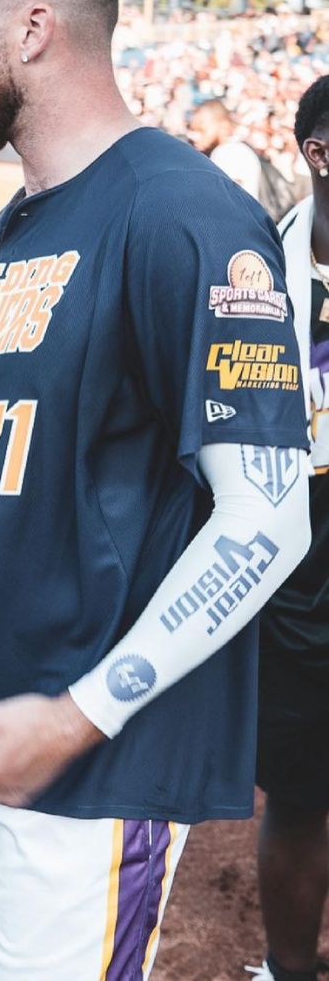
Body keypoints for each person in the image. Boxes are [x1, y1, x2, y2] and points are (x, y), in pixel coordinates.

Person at [0, 0, 312, 981]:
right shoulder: (14, 223)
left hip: (94, 762)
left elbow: (266, 518)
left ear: (34, 27)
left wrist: (83, 712)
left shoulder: (185, 216)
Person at [247, 76, 329, 981]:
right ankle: (291, 968)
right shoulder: (257, 269)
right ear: (319, 152)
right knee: (301, 792)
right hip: (299, 571)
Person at [188, 98, 264, 202]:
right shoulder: (235, 149)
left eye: (201, 130)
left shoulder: (227, 152)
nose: (193, 136)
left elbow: (222, 200)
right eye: (192, 129)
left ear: (223, 126)